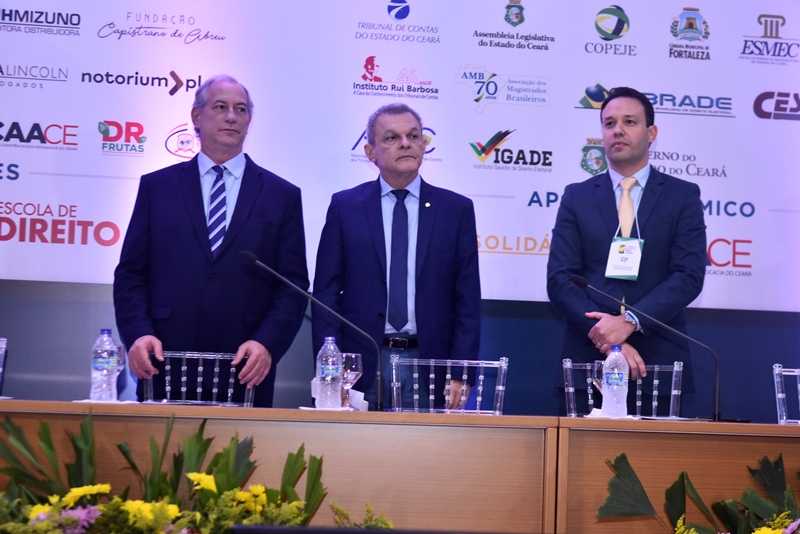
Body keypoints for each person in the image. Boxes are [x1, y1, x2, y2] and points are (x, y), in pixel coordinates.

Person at [113, 74, 309, 408]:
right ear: (196, 116)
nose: (232, 117)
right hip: (165, 359)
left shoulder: (281, 195)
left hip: (245, 367)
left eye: (241, 109)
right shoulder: (157, 187)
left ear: (249, 121)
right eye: (220, 107)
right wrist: (138, 333)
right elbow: (131, 273)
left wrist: (266, 343)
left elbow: (292, 285)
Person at [312, 103, 481, 410]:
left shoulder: (455, 211)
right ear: (370, 152)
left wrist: (461, 372)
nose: (406, 143)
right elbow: (326, 296)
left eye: (414, 136)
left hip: (430, 366)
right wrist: (330, 374)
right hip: (360, 365)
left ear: (423, 146)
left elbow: (467, 299)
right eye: (392, 138)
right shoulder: (345, 207)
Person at [547, 86, 706, 382]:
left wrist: (631, 321)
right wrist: (607, 337)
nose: (617, 130)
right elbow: (560, 280)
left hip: (658, 359)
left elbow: (688, 276)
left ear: (651, 132)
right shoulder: (577, 197)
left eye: (629, 122)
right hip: (588, 356)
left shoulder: (681, 196)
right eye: (609, 123)